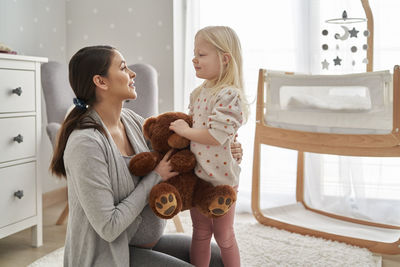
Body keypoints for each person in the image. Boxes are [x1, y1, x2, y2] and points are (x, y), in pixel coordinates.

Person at [49, 45, 242, 267]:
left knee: (217, 258)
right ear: (101, 82)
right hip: (107, 256)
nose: (132, 73)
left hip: (141, 243)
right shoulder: (86, 144)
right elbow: (109, 227)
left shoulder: (130, 120)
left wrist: (226, 149)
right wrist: (155, 177)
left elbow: (178, 150)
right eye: (123, 68)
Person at [169, 26, 248, 267]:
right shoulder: (197, 93)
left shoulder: (229, 95)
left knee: (224, 236)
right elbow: (197, 132)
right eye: (195, 53)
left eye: (201, 54)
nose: (194, 59)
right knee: (200, 232)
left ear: (224, 59)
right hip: (199, 178)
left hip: (223, 180)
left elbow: (216, 135)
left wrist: (185, 130)